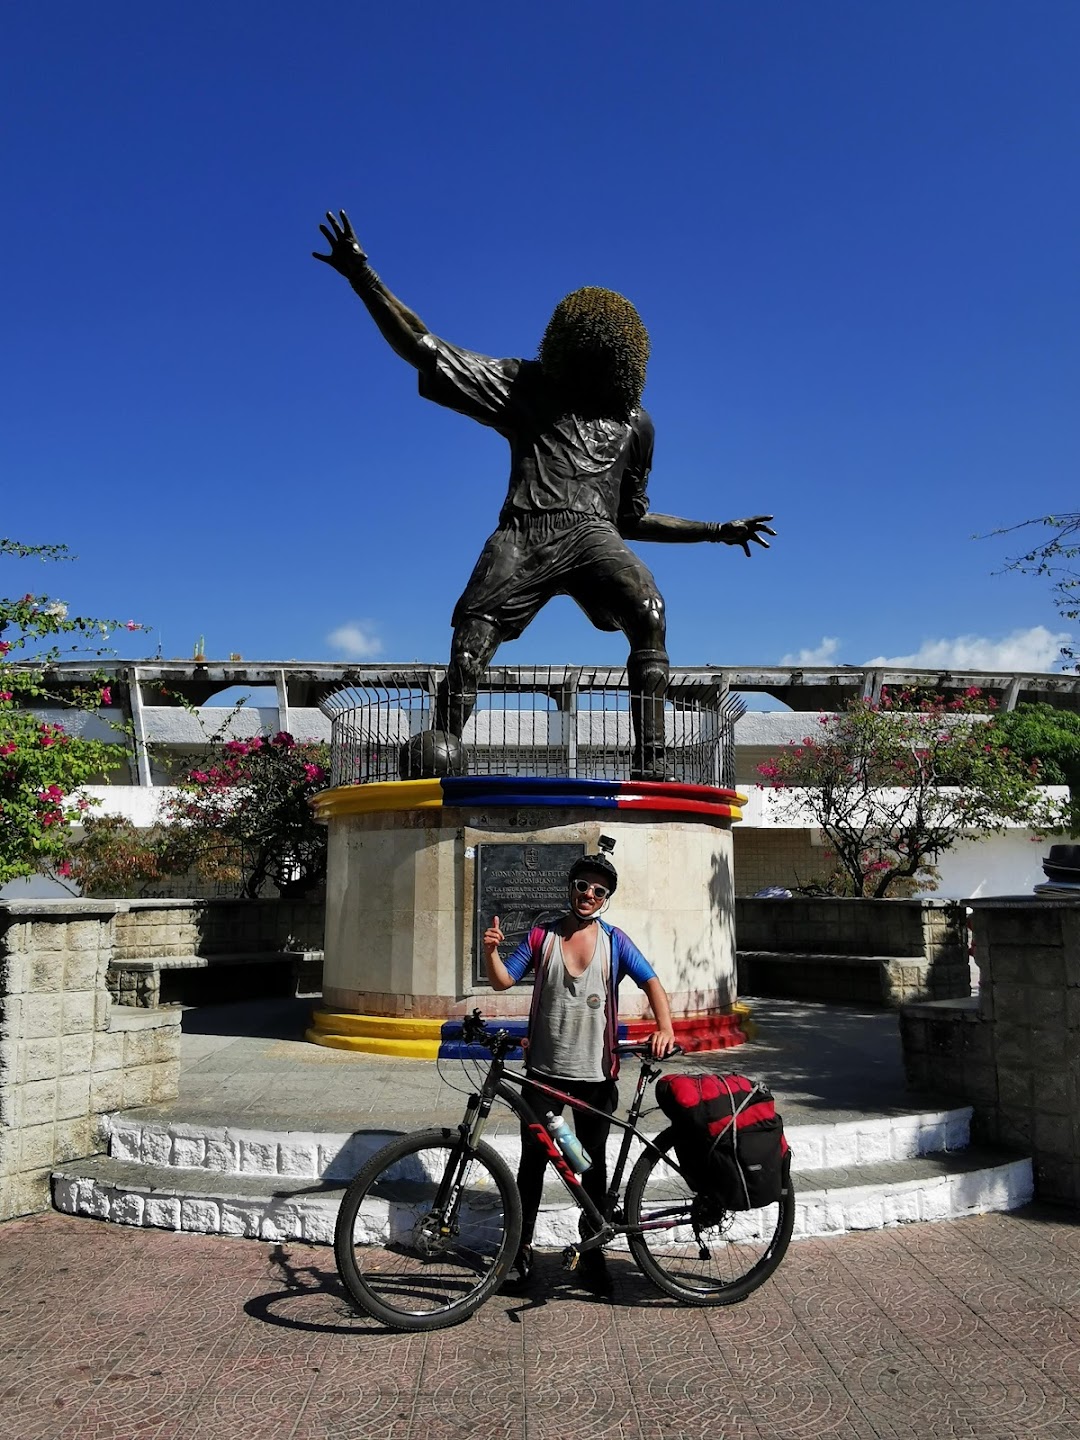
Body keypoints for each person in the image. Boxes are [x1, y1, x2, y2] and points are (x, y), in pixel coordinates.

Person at [314, 209, 775, 778]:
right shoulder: (526, 388)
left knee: (648, 610)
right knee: (470, 642)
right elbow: (425, 346)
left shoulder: (637, 425)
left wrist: (716, 531)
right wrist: (363, 274)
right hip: (526, 530)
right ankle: (441, 759)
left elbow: (631, 518)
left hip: (594, 536)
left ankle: (652, 763)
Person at [482, 846, 676, 1295]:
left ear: (605, 898)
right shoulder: (540, 936)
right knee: (533, 1166)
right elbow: (503, 981)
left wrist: (664, 1027)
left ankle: (593, 1254)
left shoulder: (615, 942)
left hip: (596, 1076)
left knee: (592, 1167)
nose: (588, 893)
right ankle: (521, 1250)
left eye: (598, 890)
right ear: (570, 888)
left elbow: (652, 981)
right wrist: (492, 952)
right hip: (544, 1076)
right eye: (582, 885)